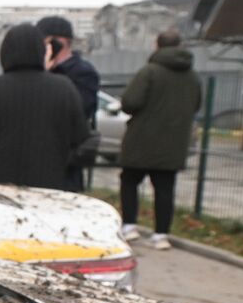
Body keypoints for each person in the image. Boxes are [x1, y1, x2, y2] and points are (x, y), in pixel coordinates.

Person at [0, 23, 89, 189]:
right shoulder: (64, 88)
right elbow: (80, 136)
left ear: (4, 53)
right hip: (47, 182)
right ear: (41, 52)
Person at [116, 29, 203, 250]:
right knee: (165, 188)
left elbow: (130, 102)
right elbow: (196, 106)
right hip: (173, 144)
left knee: (130, 182)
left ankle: (129, 226)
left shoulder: (149, 72)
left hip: (141, 141)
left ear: (157, 45)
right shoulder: (192, 77)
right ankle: (161, 234)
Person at [36, 15, 101, 191]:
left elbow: (78, 112)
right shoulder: (43, 70)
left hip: (64, 158)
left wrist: (44, 77)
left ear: (57, 42)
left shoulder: (82, 73)